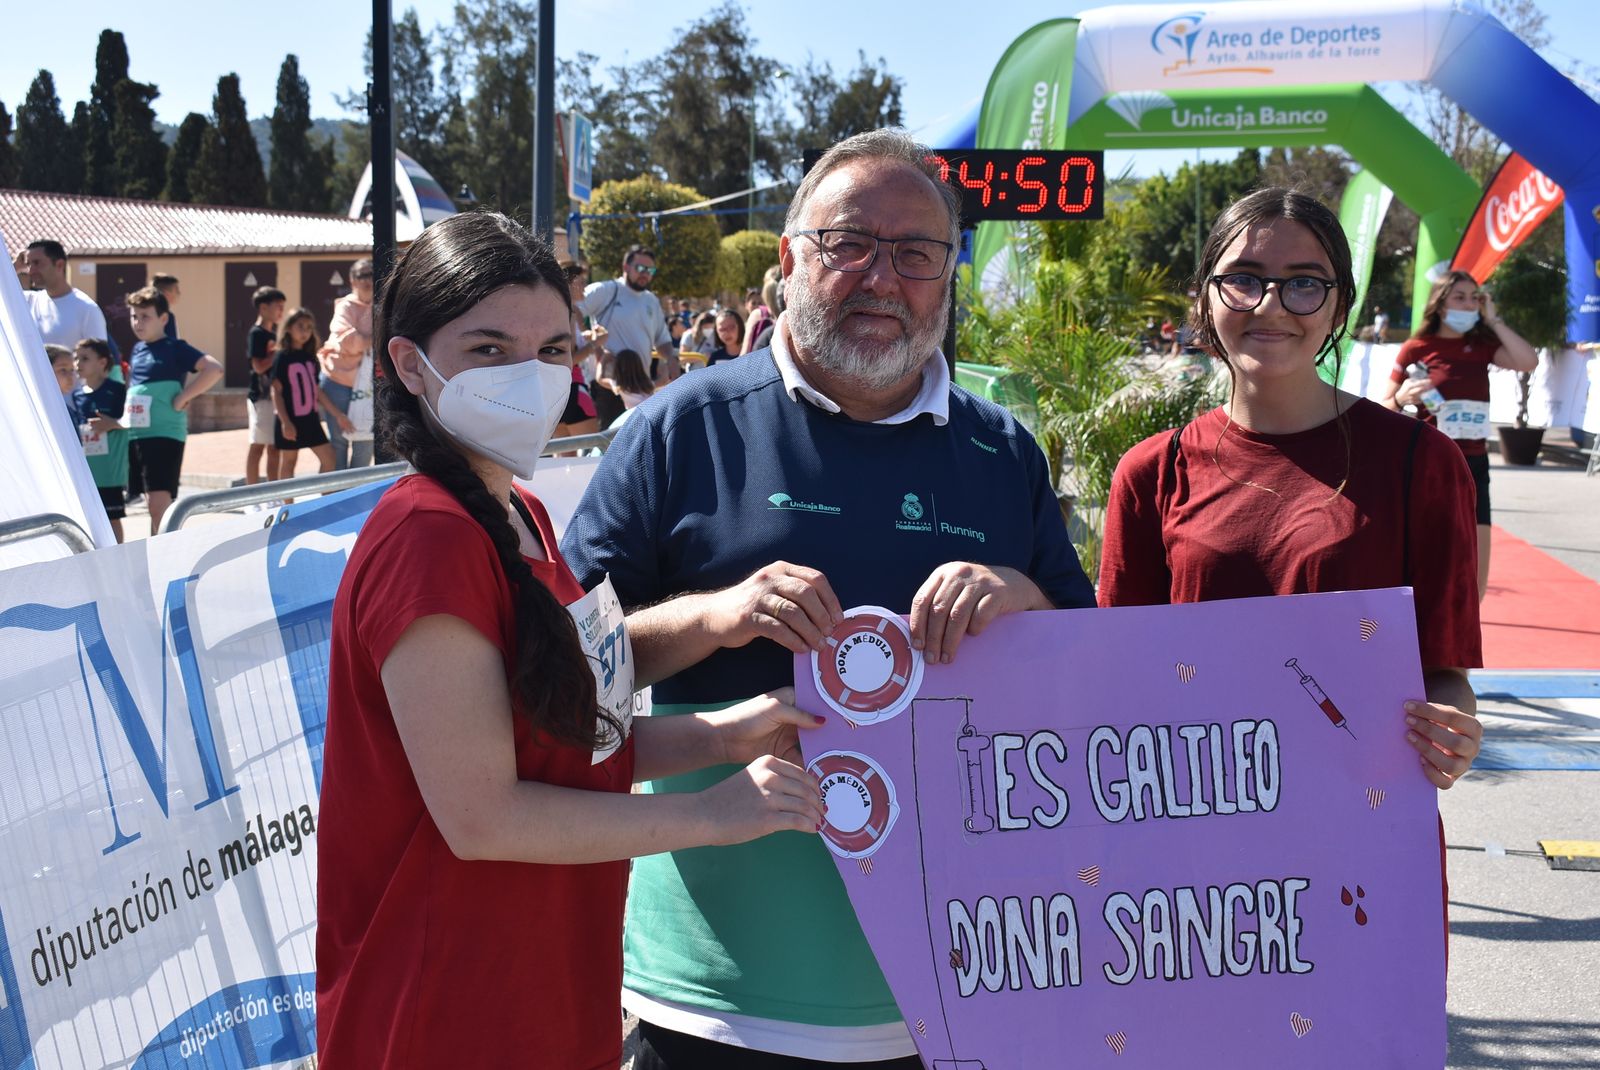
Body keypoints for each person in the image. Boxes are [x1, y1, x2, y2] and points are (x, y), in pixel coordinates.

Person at [561, 128, 1095, 1069]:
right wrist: (714, 616)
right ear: (789, 257)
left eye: (916, 253)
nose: (882, 277)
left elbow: (1091, 684)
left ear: (949, 275)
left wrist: (1022, 600)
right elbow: (563, 679)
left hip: (955, 992)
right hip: (717, 998)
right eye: (849, 243)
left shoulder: (1002, 452)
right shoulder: (678, 432)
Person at [315, 211, 824, 1069]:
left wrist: (732, 731)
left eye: (552, 350)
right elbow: (483, 814)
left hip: (544, 993)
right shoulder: (427, 538)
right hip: (444, 1013)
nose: (530, 376)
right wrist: (709, 814)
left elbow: (569, 745)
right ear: (409, 362)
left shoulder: (522, 516)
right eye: (487, 350)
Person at [1098, 188, 1482, 806]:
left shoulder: (1421, 463)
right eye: (1243, 280)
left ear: (1338, 308)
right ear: (1205, 299)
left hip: (1360, 823)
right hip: (1194, 832)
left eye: (1304, 284)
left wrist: (1454, 730)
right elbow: (1120, 671)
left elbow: (1443, 672)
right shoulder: (1151, 472)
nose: (1271, 306)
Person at [1379, 270, 1538, 601]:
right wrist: (1401, 399)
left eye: (1474, 298)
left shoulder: (1481, 346)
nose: (1469, 305)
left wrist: (1493, 321)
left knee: (1477, 562)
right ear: (1440, 303)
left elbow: (1528, 361)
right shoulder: (1416, 348)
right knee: (1425, 555)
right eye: (1460, 297)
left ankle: (1468, 627)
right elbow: (1383, 406)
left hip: (1474, 463)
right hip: (1429, 464)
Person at [125, 286, 223, 535]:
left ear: (164, 319)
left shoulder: (174, 347)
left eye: (145, 316)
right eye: (134, 316)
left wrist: (183, 398)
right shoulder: (137, 350)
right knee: (151, 504)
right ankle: (154, 551)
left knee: (160, 504)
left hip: (164, 433)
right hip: (137, 435)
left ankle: (167, 556)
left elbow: (213, 369)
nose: (138, 322)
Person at [576, 244, 679, 388]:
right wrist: (594, 345)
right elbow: (572, 310)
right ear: (626, 267)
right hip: (608, 384)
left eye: (650, 270)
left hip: (640, 384)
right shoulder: (605, 290)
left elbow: (662, 340)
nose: (645, 274)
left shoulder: (651, 300)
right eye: (640, 268)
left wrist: (671, 357)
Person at [319, 258, 377, 469]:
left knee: (366, 442)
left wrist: (363, 338)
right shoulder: (345, 306)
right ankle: (340, 495)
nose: (367, 280)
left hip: (368, 386)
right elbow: (349, 342)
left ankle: (356, 496)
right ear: (352, 280)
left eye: (371, 274)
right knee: (339, 443)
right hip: (338, 382)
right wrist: (374, 339)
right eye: (362, 275)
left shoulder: (381, 304)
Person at [72, 338, 129, 542]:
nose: (78, 364)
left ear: (103, 362)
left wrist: (112, 423)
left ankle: (116, 558)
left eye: (85, 358)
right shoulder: (77, 395)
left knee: (111, 517)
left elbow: (132, 421)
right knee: (88, 520)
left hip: (110, 472)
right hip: (86, 470)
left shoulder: (118, 390)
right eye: (76, 358)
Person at [270, 308, 338, 479]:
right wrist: (285, 422)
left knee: (329, 458)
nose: (305, 332)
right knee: (289, 462)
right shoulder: (282, 357)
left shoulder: (310, 357)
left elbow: (317, 391)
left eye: (309, 327)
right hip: (290, 419)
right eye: (300, 326)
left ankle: (323, 502)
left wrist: (338, 415)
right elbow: (276, 392)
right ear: (288, 328)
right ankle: (287, 506)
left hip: (311, 419)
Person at [23, 240, 108, 351]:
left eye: (37, 263)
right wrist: (14, 266)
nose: (30, 271)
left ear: (59, 265)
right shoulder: (28, 301)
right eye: (28, 264)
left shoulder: (87, 309)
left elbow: (98, 361)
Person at [246, 286, 286, 485]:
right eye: (278, 306)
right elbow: (258, 366)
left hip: (275, 397)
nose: (281, 311)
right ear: (263, 308)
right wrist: (278, 351)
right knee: (257, 446)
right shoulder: (257, 333)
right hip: (261, 397)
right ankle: (250, 493)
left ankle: (272, 491)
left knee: (274, 446)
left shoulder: (275, 333)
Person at [598, 347, 656, 415]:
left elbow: (599, 379)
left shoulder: (619, 385)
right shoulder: (648, 383)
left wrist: (603, 360)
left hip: (636, 415)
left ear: (618, 367)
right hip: (652, 411)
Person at [740, 285, 772, 355]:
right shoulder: (740, 327)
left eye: (760, 303)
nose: (757, 306)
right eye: (753, 303)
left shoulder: (767, 325)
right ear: (746, 305)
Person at [153, 272, 182, 340]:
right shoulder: (167, 317)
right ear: (167, 294)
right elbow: (172, 344)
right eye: (177, 290)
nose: (179, 293)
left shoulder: (150, 314)